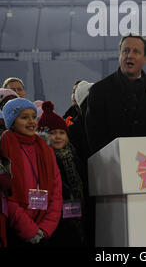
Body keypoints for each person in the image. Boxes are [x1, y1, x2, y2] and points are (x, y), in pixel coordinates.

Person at [85, 34, 146, 155]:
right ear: (119, 56)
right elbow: (94, 136)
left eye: (136, 52)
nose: (130, 55)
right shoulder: (99, 91)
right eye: (125, 51)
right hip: (114, 166)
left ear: (145, 58)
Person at [0, 98, 62, 247]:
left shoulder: (46, 150)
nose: (31, 121)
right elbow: (7, 196)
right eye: (24, 117)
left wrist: (46, 227)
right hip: (15, 229)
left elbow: (56, 191)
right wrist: (28, 229)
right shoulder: (4, 148)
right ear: (12, 122)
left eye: (34, 117)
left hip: (44, 230)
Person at [37, 101, 87, 247]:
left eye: (61, 132)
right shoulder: (43, 158)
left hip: (74, 213)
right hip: (53, 218)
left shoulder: (73, 154)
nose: (58, 136)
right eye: (52, 133)